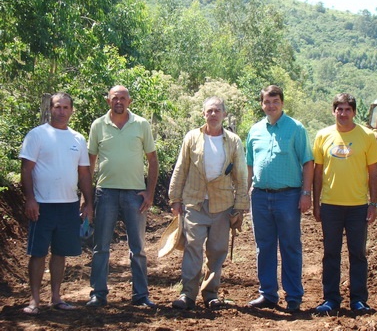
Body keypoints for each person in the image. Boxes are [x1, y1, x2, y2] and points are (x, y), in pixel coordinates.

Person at [168, 96, 249, 310]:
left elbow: (241, 175)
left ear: (223, 114)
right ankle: (187, 294)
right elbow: (181, 168)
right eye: (209, 111)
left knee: (217, 250)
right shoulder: (192, 137)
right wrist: (175, 199)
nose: (213, 114)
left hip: (222, 205)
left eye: (217, 111)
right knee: (193, 248)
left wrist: (240, 207)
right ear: (203, 114)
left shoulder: (233, 141)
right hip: (194, 202)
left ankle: (211, 294)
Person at [19, 92, 93, 315]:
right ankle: (34, 300)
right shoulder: (37, 135)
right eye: (57, 107)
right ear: (50, 109)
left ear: (71, 111)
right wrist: (30, 199)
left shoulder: (77, 139)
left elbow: (84, 173)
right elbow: (26, 169)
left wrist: (88, 202)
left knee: (60, 253)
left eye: (65, 107)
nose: (61, 111)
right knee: (38, 253)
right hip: (42, 204)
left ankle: (56, 297)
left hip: (68, 205)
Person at [86, 85, 158, 308]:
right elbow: (90, 163)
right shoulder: (98, 125)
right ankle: (98, 293)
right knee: (101, 247)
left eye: (123, 98)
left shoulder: (141, 124)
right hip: (105, 192)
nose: (119, 101)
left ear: (130, 101)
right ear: (108, 101)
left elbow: (153, 160)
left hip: (134, 194)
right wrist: (87, 198)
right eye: (115, 98)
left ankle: (141, 295)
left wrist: (150, 192)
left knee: (138, 248)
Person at [246, 85, 313, 313]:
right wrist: (247, 192)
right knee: (263, 247)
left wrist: (306, 193)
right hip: (260, 197)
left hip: (289, 196)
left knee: (290, 247)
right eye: (267, 102)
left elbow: (307, 161)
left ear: (282, 103)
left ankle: (293, 296)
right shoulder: (255, 130)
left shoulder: (296, 128)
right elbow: (249, 164)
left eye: (275, 101)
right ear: (262, 104)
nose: (271, 105)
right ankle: (268, 294)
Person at [312, 92, 377, 314]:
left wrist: (374, 203)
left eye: (347, 109)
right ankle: (331, 299)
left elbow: (374, 173)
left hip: (358, 206)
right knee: (331, 253)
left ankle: (358, 300)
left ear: (354, 112)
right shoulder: (323, 136)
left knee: (358, 254)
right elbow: (317, 173)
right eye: (339, 109)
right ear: (334, 111)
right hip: (331, 206)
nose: (343, 114)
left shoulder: (367, 136)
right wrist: (316, 203)